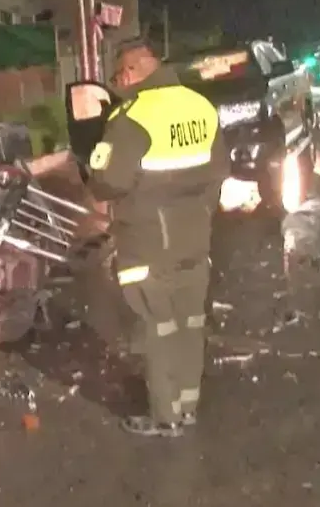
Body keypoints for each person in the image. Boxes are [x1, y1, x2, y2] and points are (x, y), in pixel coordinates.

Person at [83, 38, 229, 437]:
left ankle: (166, 416)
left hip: (148, 241)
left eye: (119, 75)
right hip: (195, 236)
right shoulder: (200, 106)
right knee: (191, 322)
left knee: (158, 326)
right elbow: (219, 169)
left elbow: (108, 183)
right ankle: (187, 405)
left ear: (131, 71)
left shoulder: (133, 116)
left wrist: (96, 170)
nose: (119, 82)